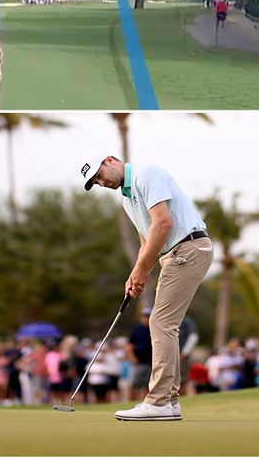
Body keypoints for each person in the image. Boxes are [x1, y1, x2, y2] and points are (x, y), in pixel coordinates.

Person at [79, 152, 213, 421]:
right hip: (174, 255)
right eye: (95, 181)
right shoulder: (127, 200)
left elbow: (163, 224)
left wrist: (142, 270)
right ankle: (170, 402)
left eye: (99, 175)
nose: (101, 182)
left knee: (161, 322)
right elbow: (147, 241)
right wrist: (136, 275)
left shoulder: (146, 174)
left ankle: (158, 401)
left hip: (188, 248)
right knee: (165, 324)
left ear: (110, 160)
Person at [127, 308, 152, 401]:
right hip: (138, 362)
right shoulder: (136, 330)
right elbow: (129, 345)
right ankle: (131, 403)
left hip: (150, 362)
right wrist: (132, 357)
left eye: (148, 316)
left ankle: (144, 402)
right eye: (144, 317)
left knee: (148, 385)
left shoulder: (154, 329)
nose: (146, 319)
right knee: (134, 384)